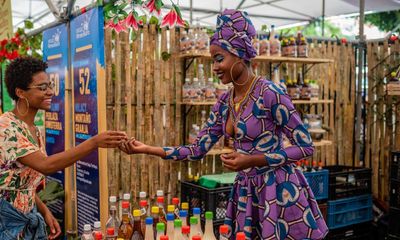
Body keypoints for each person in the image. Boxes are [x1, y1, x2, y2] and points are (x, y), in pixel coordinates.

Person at [120, 9, 328, 239]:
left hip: (278, 189)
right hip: (247, 191)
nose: (216, 67)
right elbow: (197, 150)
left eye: (220, 59)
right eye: (213, 61)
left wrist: (253, 160)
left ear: (240, 54)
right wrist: (148, 149)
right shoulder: (224, 102)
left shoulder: (270, 93)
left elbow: (306, 146)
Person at [0, 57, 127, 239]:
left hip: (24, 220)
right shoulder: (6, 128)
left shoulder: (32, 128)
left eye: (50, 86)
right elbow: (46, 165)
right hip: (7, 224)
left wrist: (44, 211)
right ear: (20, 92)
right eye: (42, 88)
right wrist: (93, 142)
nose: (50, 92)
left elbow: (19, 183)